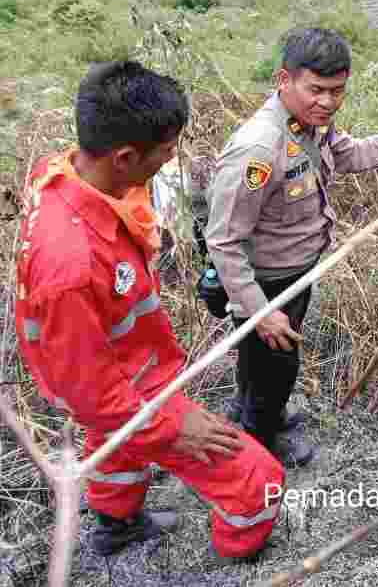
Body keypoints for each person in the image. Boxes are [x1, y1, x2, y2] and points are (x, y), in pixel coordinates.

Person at [14, 61, 284, 561]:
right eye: (165, 149)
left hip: (116, 364)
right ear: (124, 156)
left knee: (113, 446)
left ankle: (117, 525)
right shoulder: (70, 263)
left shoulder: (64, 174)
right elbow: (92, 391)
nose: (171, 157)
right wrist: (169, 426)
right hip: (122, 383)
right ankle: (239, 556)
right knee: (259, 479)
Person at [204, 28, 378, 467]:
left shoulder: (311, 126)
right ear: (284, 80)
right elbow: (224, 239)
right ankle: (258, 448)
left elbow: (352, 155)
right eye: (316, 90)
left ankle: (252, 406)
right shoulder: (259, 148)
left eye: (337, 91)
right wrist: (259, 311)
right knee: (278, 364)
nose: (328, 102)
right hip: (267, 284)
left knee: (261, 363)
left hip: (297, 271)